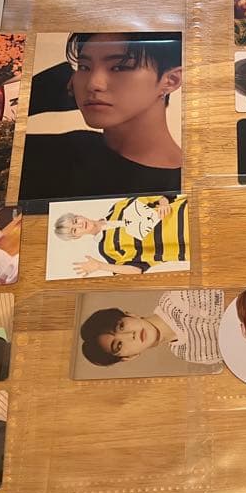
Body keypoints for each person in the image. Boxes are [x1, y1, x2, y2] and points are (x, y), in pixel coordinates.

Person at [19, 32, 183, 204]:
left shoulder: (184, 186)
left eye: (119, 67)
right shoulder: (51, 152)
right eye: (84, 67)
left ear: (171, 80)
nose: (93, 84)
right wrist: (42, 92)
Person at [78, 289, 224, 368]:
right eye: (119, 345)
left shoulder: (177, 297)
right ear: (129, 357)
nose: (130, 335)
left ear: (130, 315)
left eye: (121, 326)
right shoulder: (185, 353)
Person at [52, 195, 188, 276]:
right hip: (187, 242)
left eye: (75, 221)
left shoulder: (118, 206)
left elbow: (156, 196)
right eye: (74, 230)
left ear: (79, 216)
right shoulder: (107, 250)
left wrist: (163, 203)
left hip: (186, 209)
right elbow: (137, 269)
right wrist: (100, 266)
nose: (80, 225)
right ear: (76, 237)